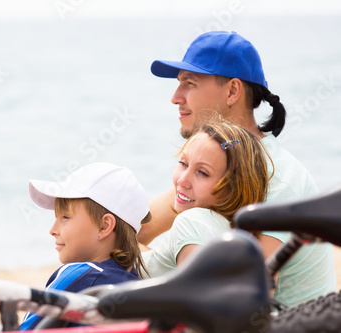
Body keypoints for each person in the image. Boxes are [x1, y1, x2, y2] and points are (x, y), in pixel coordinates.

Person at [138, 30, 336, 307]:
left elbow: (244, 293)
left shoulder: (275, 175)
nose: (175, 97)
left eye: (190, 83)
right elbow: (138, 226)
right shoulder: (209, 163)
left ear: (232, 91)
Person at [19, 162, 151, 330]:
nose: (52, 230)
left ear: (104, 226)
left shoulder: (80, 275)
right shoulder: (135, 288)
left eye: (65, 217)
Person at [141, 119, 269, 271]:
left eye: (202, 172)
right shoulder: (236, 238)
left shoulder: (192, 223)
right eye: (183, 163)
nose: (182, 181)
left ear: (232, 190)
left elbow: (196, 293)